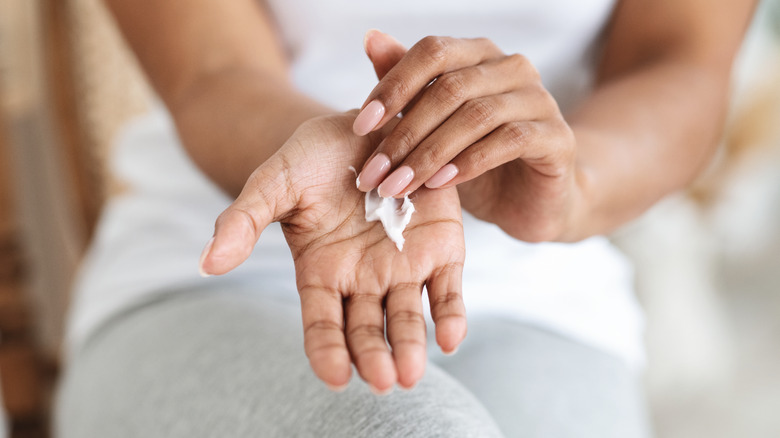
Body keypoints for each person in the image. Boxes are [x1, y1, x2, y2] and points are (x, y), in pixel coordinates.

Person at [55, 0, 756, 437]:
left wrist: (574, 185)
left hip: (549, 300)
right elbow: (209, 71)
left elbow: (682, 64)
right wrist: (344, 155)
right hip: (213, 276)